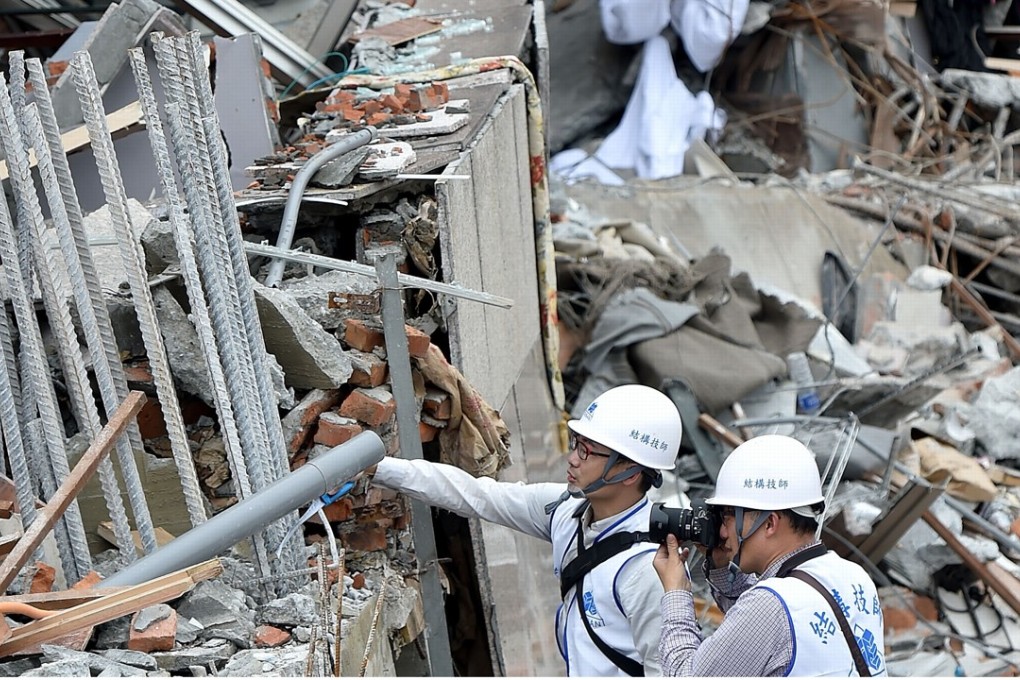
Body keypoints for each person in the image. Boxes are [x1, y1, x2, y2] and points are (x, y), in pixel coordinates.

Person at [366, 383, 683, 676]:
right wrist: (377, 467)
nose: (572, 459)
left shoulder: (646, 570)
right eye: (576, 444)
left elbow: (666, 671)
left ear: (628, 472)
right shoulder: (566, 510)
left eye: (587, 451)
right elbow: (479, 496)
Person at [653, 434, 888, 676]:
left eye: (728, 517)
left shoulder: (770, 605)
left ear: (770, 524)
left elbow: (685, 674)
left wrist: (676, 592)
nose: (723, 532)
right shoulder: (853, 575)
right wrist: (722, 567)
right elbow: (766, 639)